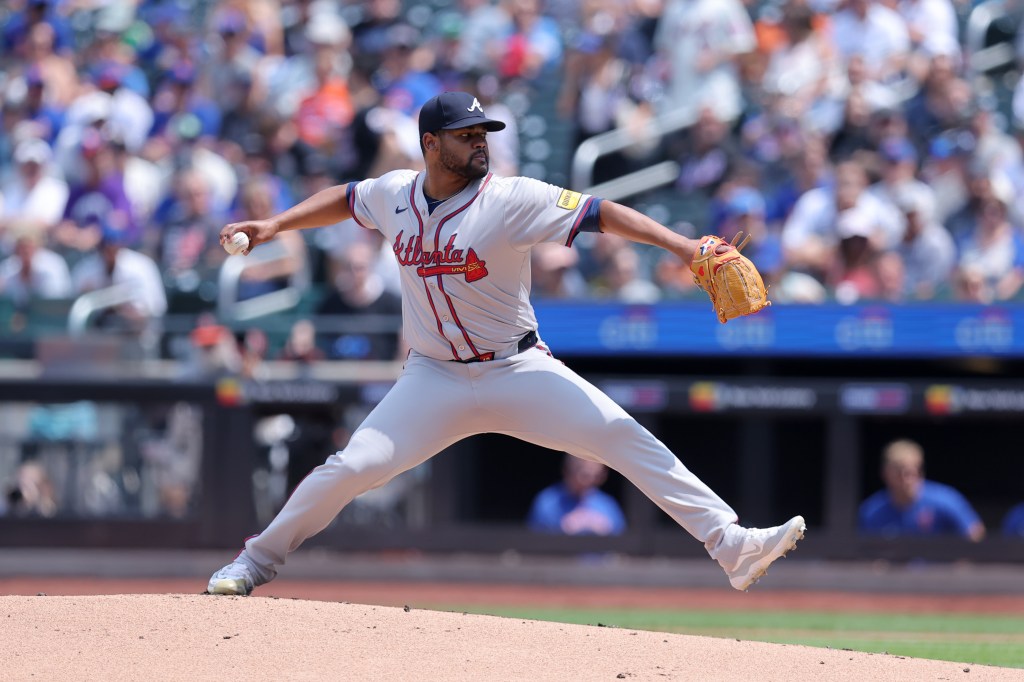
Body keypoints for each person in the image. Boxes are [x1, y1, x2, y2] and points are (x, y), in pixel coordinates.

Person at [207, 91, 805, 597]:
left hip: (516, 370)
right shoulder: (394, 193)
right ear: (431, 144)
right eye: (466, 134)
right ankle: (255, 562)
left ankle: (732, 546)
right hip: (432, 379)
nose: (480, 142)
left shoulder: (511, 197)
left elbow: (602, 213)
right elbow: (346, 198)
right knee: (351, 467)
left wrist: (681, 247)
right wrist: (275, 225)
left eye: (483, 132)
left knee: (621, 434)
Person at [859, 439, 985, 541]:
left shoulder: (945, 500)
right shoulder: (872, 510)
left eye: (913, 471)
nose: (907, 479)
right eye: (900, 472)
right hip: (894, 572)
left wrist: (959, 567)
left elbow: (975, 535)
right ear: (885, 473)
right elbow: (863, 553)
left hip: (940, 571)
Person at [528, 454, 626, 536]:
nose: (590, 481)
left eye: (596, 476)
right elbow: (534, 541)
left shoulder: (607, 505)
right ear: (567, 470)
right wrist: (563, 528)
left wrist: (603, 528)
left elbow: (625, 543)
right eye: (585, 475)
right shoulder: (547, 501)